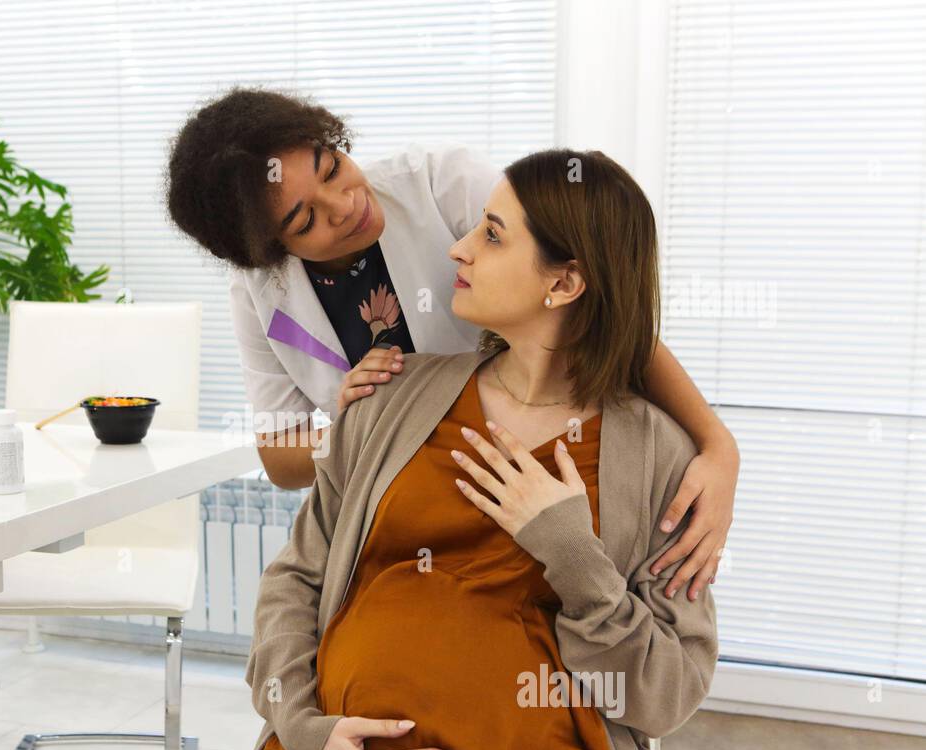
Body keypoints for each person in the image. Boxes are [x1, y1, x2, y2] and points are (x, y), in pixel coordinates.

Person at [207, 148, 719, 750]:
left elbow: (667, 692)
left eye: (492, 235)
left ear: (565, 281)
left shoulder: (656, 457)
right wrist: (302, 728)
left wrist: (573, 555)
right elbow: (296, 579)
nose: (457, 247)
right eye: (477, 228)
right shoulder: (391, 396)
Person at [166, 87, 737, 600]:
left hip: (518, 477)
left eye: (331, 166)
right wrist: (353, 426)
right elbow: (281, 456)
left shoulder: (440, 184)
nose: (345, 204)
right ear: (270, 249)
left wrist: (717, 446)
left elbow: (588, 297)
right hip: (401, 515)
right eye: (305, 218)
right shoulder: (260, 294)